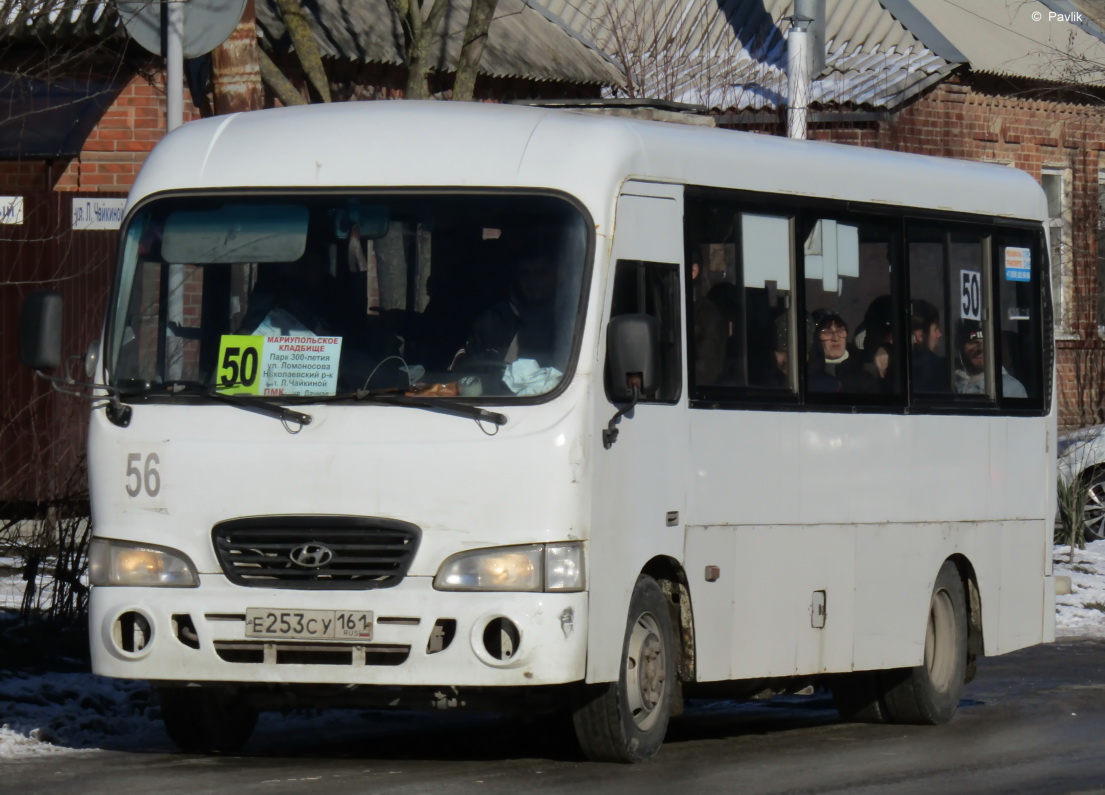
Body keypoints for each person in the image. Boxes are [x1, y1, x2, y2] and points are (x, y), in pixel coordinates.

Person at [462, 251, 559, 367]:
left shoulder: (569, 320)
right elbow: (468, 370)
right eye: (525, 273)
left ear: (556, 275)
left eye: (541, 273)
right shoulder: (492, 322)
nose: (532, 280)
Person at [807, 310, 877, 393]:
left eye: (840, 330)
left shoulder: (866, 372)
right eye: (827, 332)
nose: (836, 338)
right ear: (815, 339)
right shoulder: (806, 374)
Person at [953, 320, 1027, 397]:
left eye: (987, 342)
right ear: (960, 348)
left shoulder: (1009, 388)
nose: (981, 348)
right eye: (973, 342)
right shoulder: (953, 386)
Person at [910, 299, 947, 393]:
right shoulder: (934, 367)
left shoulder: (895, 364)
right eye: (936, 329)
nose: (939, 335)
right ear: (920, 336)